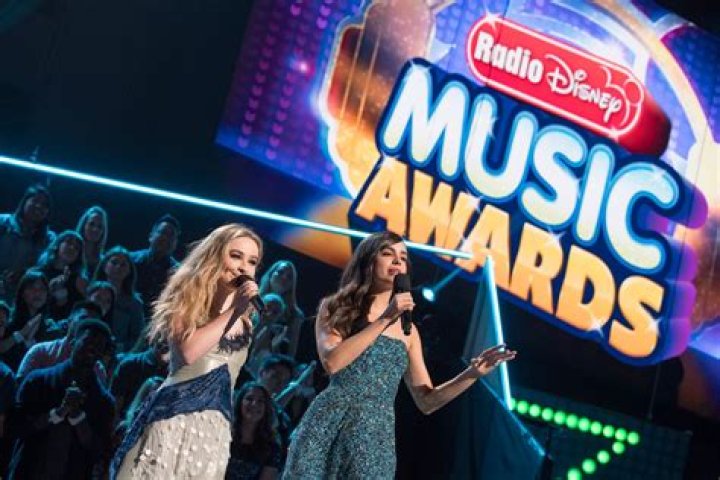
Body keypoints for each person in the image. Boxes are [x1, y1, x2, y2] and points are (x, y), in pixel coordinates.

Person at [282, 232, 516, 479]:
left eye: (403, 258)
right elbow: (333, 362)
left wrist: (472, 374)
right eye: (387, 254)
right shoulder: (336, 308)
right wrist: (385, 319)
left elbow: (427, 401)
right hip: (328, 423)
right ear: (368, 261)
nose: (397, 261)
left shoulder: (409, 331)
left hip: (374, 437)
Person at [111, 223, 263, 479]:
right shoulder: (187, 298)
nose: (243, 267)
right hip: (174, 415)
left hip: (214, 429)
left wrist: (238, 311)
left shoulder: (247, 320)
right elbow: (188, 353)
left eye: (252, 261)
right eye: (236, 256)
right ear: (216, 256)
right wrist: (232, 311)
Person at [8, 319, 115, 480]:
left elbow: (99, 450)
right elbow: (14, 427)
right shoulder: (37, 381)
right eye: (87, 341)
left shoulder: (103, 401)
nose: (92, 349)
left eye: (99, 346)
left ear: (102, 354)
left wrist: (78, 418)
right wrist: (56, 414)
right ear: (72, 343)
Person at [0, 184, 55, 304]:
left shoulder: (49, 239)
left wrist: (25, 273)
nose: (39, 206)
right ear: (25, 201)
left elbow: (48, 267)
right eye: (35, 201)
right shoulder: (3, 222)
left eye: (44, 205)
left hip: (23, 300)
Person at [225, 382, 282, 480]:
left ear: (266, 408)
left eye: (260, 401)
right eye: (249, 399)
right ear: (240, 402)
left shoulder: (272, 448)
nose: (254, 404)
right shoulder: (223, 433)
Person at [93, 247, 144, 353]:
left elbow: (138, 338)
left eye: (123, 264)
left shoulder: (134, 303)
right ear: (104, 265)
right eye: (114, 262)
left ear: (129, 270)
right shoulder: (90, 293)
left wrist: (117, 348)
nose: (118, 267)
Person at [130, 214, 180, 318]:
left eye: (171, 235)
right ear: (151, 236)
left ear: (175, 243)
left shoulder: (179, 274)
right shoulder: (130, 261)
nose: (166, 238)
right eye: (163, 232)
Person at [258, 261, 304, 357]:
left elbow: (291, 350)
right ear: (270, 275)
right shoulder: (253, 300)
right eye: (280, 272)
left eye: (289, 277)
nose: (284, 277)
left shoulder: (294, 314)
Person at [75, 206, 109, 278]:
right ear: (84, 225)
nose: (95, 229)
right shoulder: (70, 252)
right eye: (91, 224)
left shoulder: (103, 263)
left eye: (100, 227)